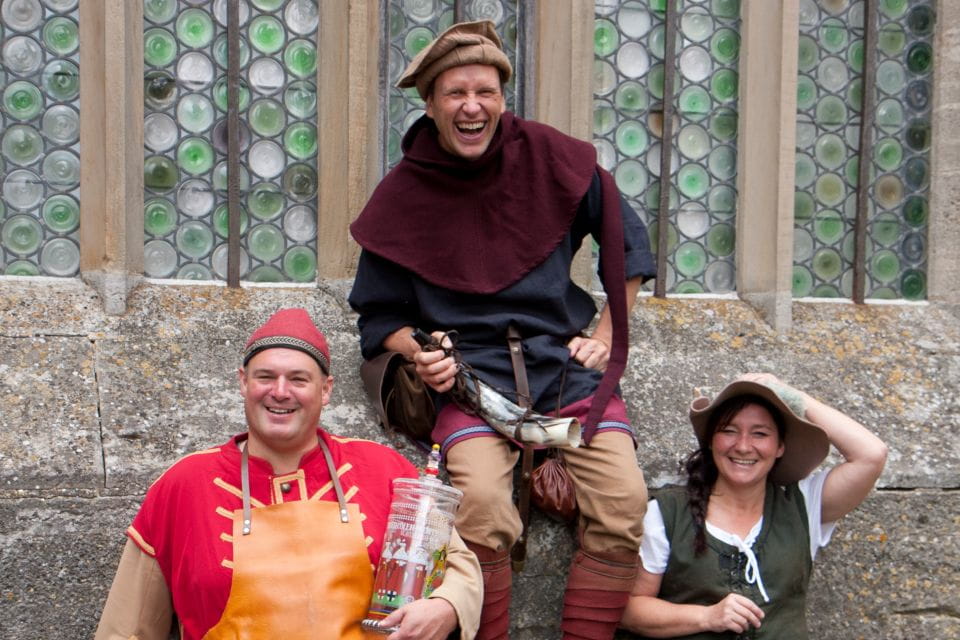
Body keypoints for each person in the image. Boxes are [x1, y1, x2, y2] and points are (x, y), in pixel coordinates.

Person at [348, 20, 656, 640]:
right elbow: (380, 316)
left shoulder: (553, 158)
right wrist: (421, 355)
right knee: (482, 510)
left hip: (563, 368)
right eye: (455, 93)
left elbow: (630, 241)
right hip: (470, 382)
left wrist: (604, 327)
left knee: (625, 507)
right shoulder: (405, 190)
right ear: (431, 104)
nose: (472, 106)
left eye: (485, 91)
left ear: (502, 98)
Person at [94, 308, 481, 640]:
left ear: (326, 390)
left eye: (298, 379)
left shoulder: (383, 469)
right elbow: (128, 626)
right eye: (265, 377)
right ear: (243, 382)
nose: (280, 392)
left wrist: (447, 607)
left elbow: (461, 567)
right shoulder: (184, 485)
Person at [620, 373, 888, 639]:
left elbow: (871, 454)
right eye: (729, 431)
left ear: (780, 446)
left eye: (760, 434)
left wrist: (790, 395)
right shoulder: (667, 514)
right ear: (712, 441)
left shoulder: (803, 506)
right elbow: (630, 611)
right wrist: (707, 617)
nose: (744, 446)